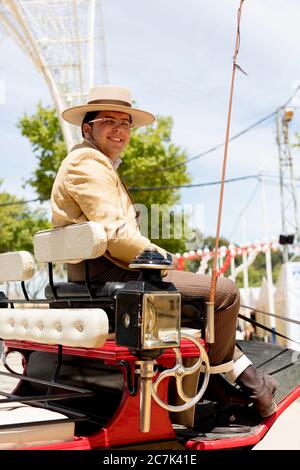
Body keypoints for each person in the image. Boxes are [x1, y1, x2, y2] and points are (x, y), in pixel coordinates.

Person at [51, 85, 276, 418]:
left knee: (207, 306)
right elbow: (117, 235)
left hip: (103, 272)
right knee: (225, 293)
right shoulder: (87, 162)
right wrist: (165, 259)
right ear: (88, 128)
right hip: (110, 274)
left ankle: (246, 379)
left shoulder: (97, 163)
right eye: (108, 121)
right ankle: (224, 382)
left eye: (125, 123)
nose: (119, 129)